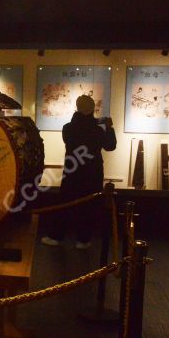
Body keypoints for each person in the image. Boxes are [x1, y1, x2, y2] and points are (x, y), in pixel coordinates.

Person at [41, 95, 116, 249]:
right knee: (89, 206)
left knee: (65, 203)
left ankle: (56, 236)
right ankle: (83, 240)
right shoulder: (98, 130)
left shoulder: (68, 128)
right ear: (92, 109)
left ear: (77, 108)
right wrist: (109, 128)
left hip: (73, 171)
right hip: (93, 172)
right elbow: (110, 146)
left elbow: (75, 134)